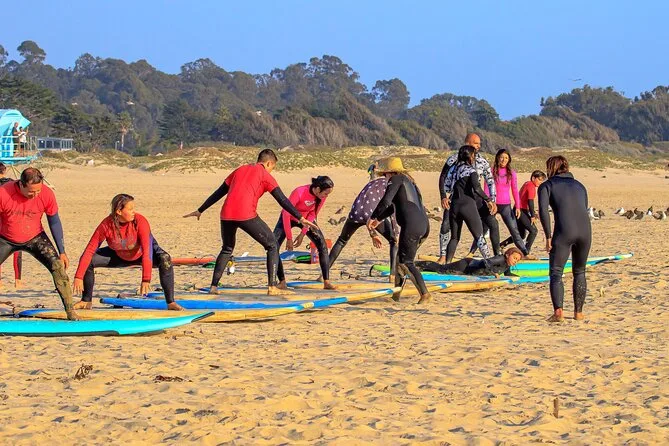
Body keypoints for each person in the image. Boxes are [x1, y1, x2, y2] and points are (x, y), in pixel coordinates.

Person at [184, 149, 318, 295]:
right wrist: (300, 218)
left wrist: (201, 209)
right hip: (246, 214)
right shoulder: (265, 176)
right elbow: (282, 200)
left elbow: (220, 191)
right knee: (272, 245)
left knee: (227, 248)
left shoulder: (240, 169)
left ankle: (213, 287)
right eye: (272, 168)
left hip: (226, 215)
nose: (271, 171)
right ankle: (272, 286)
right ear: (268, 163)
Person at [72, 194, 183, 311]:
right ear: (119, 211)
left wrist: (146, 279)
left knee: (165, 258)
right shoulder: (106, 225)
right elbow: (89, 250)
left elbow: (147, 251)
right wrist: (78, 276)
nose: (134, 212)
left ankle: (171, 302)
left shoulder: (140, 221)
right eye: (130, 209)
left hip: (141, 254)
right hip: (119, 254)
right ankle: (86, 301)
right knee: (88, 260)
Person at [0, 167, 77, 320]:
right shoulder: (4, 193)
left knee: (58, 267)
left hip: (35, 237)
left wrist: (62, 251)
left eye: (38, 191)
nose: (35, 195)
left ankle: (71, 312)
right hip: (5, 238)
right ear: (20, 184)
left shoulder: (47, 194)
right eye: (31, 192)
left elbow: (54, 222)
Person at [367, 157, 432, 304]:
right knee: (399, 261)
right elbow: (392, 206)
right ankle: (396, 295)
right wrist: (378, 219)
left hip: (412, 226)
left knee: (406, 262)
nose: (385, 178)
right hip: (424, 225)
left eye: (384, 175)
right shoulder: (409, 182)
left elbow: (386, 201)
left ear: (389, 173)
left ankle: (425, 294)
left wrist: (372, 216)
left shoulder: (395, 179)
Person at [538, 156, 591, 322]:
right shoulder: (580, 186)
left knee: (556, 272)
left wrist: (548, 236)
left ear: (551, 168)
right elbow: (583, 208)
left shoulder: (547, 185)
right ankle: (578, 313)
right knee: (580, 271)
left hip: (564, 232)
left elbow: (543, 212)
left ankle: (558, 313)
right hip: (585, 231)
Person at [329, 164, 399, 282]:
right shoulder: (391, 185)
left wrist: (372, 233)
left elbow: (366, 202)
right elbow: (390, 208)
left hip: (355, 212)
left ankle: (323, 274)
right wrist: (395, 231)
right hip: (370, 214)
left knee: (341, 240)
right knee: (394, 241)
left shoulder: (374, 182)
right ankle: (392, 276)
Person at [439, 132, 500, 263]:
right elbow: (443, 177)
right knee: (475, 235)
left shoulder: (479, 162)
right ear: (467, 144)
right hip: (466, 200)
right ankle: (490, 263)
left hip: (466, 200)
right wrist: (443, 196)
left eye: (479, 144)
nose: (479, 146)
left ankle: (497, 255)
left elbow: (490, 181)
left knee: (492, 224)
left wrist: (493, 200)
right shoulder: (456, 161)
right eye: (476, 143)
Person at [274, 176, 336, 290]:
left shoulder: (321, 197)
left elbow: (313, 214)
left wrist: (302, 234)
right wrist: (289, 238)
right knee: (273, 246)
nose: (326, 196)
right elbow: (286, 214)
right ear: (318, 189)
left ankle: (326, 281)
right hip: (288, 217)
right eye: (326, 193)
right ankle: (282, 281)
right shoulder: (299, 192)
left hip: (306, 219)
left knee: (322, 245)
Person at [480, 149, 529, 256]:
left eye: (506, 158)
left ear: (509, 160)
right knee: (483, 229)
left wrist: (518, 206)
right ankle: (472, 252)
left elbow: (515, 190)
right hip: (492, 205)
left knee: (514, 230)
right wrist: (489, 202)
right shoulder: (491, 171)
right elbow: (486, 188)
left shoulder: (511, 173)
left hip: (506, 205)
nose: (503, 160)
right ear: (498, 158)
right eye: (502, 157)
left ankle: (525, 252)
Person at [501, 170, 546, 253]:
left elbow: (524, 200)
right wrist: (532, 216)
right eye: (539, 179)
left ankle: (501, 245)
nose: (541, 182)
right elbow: (530, 201)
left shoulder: (527, 183)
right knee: (533, 231)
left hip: (517, 209)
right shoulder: (531, 186)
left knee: (521, 235)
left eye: (542, 180)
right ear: (533, 178)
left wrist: (533, 212)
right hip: (521, 211)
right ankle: (526, 252)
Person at [416, 247, 523, 277]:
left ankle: (420, 268)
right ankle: (417, 264)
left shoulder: (507, 264)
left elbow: (507, 274)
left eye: (517, 260)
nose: (515, 261)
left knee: (442, 271)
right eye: (514, 258)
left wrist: (519, 278)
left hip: (469, 270)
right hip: (466, 265)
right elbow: (485, 262)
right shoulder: (500, 259)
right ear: (507, 255)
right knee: (442, 269)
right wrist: (493, 273)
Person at [0, 163, 23, 288]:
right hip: (12, 217)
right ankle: (18, 280)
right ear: (4, 171)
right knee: (17, 249)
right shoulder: (13, 184)